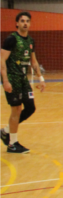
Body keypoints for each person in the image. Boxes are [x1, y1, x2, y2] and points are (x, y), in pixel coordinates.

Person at [0, 12, 46, 154]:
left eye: (27, 21)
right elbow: (1, 60)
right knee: (16, 109)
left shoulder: (30, 41)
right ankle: (12, 144)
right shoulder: (11, 39)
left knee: (30, 107)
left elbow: (33, 61)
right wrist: (6, 81)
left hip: (23, 79)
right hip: (12, 78)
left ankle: (6, 131)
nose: (25, 23)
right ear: (17, 23)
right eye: (22, 21)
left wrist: (41, 78)